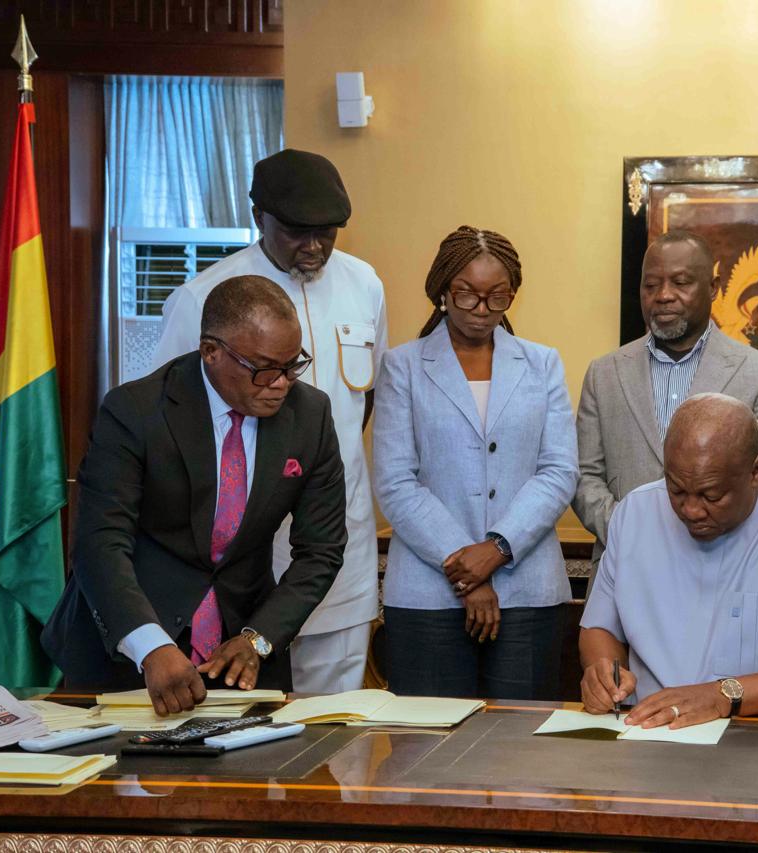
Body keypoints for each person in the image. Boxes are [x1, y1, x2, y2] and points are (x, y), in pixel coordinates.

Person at [42, 277, 348, 715]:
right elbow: (100, 542)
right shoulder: (135, 410)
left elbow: (321, 550)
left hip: (242, 653)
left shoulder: (310, 415)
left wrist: (259, 639)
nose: (281, 383)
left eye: (291, 365)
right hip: (128, 650)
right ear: (211, 351)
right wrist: (150, 645)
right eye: (264, 368)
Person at [152, 149, 386, 694]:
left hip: (336, 543)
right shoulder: (204, 297)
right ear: (259, 217)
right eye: (297, 232)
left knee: (336, 719)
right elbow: (166, 422)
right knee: (246, 716)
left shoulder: (364, 284)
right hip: (238, 556)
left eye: (327, 232)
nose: (315, 246)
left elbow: (365, 398)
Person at [579, 393, 758, 727]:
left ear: (755, 472)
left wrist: (722, 696)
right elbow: (599, 627)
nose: (691, 510)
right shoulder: (634, 514)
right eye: (676, 490)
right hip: (649, 732)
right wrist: (603, 673)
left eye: (711, 495)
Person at [373, 226, 578, 700]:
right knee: (427, 740)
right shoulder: (403, 367)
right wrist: (466, 569)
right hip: (428, 594)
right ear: (442, 291)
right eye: (467, 294)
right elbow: (396, 481)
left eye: (497, 297)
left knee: (519, 739)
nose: (482, 309)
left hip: (527, 590)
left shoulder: (542, 364)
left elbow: (559, 470)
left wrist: (497, 548)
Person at [573, 230, 758, 570]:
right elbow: (584, 476)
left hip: (725, 566)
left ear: (713, 287)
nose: (663, 296)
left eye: (681, 283)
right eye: (650, 285)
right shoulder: (604, 373)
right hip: (625, 564)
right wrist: (632, 530)